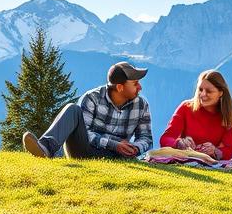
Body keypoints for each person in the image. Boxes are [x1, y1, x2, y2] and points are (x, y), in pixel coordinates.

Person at [22, 61, 152, 159]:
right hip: (85, 150)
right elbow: (86, 133)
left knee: (124, 152)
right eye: (135, 83)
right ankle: (45, 148)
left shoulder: (141, 105)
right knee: (72, 109)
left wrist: (135, 148)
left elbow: (146, 138)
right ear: (119, 87)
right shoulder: (92, 98)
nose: (140, 87)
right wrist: (114, 144)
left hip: (116, 156)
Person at [159, 70, 232, 161]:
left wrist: (215, 151)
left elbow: (229, 150)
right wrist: (178, 143)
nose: (203, 94)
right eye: (200, 89)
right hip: (184, 160)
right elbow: (165, 139)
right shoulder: (186, 108)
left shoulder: (228, 118)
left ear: (221, 93)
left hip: (210, 165)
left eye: (209, 91)